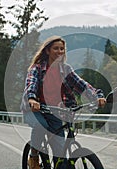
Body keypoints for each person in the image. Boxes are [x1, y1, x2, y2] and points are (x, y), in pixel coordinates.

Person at [21, 35, 106, 169]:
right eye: (56, 48)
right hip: (35, 109)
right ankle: (34, 156)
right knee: (40, 126)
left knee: (60, 155)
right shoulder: (37, 68)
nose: (60, 51)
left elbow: (82, 85)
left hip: (55, 111)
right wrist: (31, 99)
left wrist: (97, 97)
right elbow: (31, 84)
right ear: (48, 51)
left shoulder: (65, 69)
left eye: (62, 49)